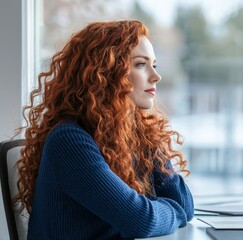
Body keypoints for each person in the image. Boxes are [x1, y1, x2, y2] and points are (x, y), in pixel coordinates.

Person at [14, 20, 194, 239]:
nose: (156, 77)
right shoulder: (69, 140)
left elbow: (185, 204)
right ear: (106, 73)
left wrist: (150, 138)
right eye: (140, 64)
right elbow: (142, 220)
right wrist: (173, 210)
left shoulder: (132, 133)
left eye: (153, 65)